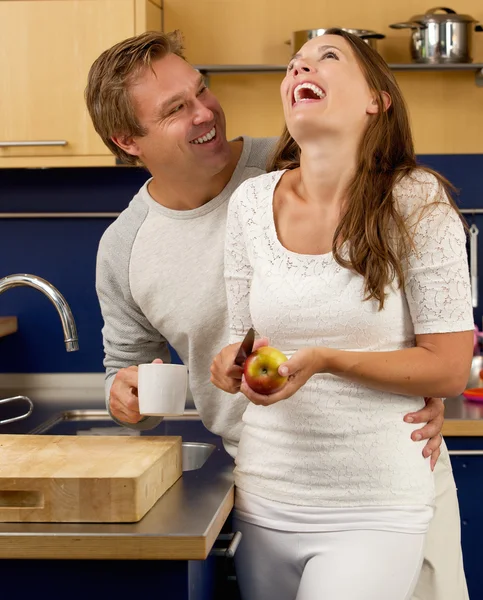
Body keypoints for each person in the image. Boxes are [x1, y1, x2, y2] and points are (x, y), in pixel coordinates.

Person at [84, 30, 467, 600]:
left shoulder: (297, 151)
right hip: (268, 478)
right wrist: (124, 394)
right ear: (127, 139)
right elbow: (129, 365)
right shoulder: (127, 248)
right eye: (175, 109)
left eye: (201, 90)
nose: (205, 112)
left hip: (389, 468)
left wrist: (430, 378)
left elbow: (425, 319)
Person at [210, 27, 474, 600]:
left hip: (375, 502)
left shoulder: (416, 200)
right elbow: (243, 341)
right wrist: (229, 363)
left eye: (326, 58)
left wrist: (327, 360)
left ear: (376, 100)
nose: (300, 71)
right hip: (266, 495)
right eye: (293, 65)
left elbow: (450, 368)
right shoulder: (251, 204)